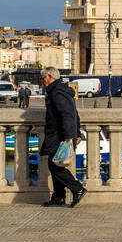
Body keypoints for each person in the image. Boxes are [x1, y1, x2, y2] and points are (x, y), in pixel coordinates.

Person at [40, 67, 85, 207]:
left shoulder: (56, 92)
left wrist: (69, 136)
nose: (42, 82)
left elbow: (67, 114)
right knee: (54, 163)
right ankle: (58, 197)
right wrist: (76, 133)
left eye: (43, 78)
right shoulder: (61, 90)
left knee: (54, 165)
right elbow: (74, 114)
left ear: (49, 76)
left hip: (59, 135)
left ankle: (77, 189)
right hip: (61, 134)